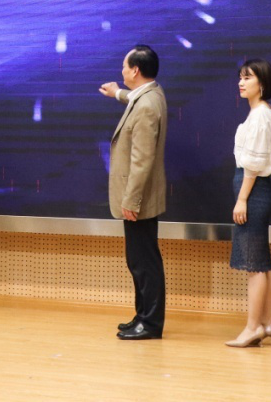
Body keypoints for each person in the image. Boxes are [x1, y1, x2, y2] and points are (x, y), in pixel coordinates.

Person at [99, 44, 168, 341]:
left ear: (136, 70)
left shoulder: (147, 106)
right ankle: (142, 316)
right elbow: (134, 98)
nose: (122, 70)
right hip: (140, 198)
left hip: (139, 199)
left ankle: (150, 323)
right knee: (138, 260)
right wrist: (117, 93)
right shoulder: (150, 94)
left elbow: (142, 160)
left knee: (144, 262)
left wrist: (131, 200)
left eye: (125, 66)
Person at [225, 58, 271, 347]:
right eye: (240, 77)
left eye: (248, 77)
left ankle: (252, 328)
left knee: (254, 264)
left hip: (253, 189)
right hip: (257, 189)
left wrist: (242, 199)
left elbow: (254, 164)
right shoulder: (264, 112)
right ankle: (266, 323)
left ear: (262, 83)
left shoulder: (260, 115)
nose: (241, 82)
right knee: (262, 262)